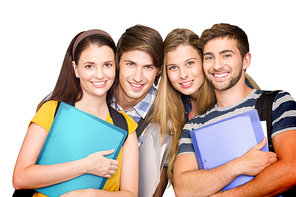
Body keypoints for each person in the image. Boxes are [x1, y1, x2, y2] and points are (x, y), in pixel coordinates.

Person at [173, 23, 296, 197]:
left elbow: (291, 169)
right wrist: (239, 166)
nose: (217, 65)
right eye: (209, 57)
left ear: (246, 60)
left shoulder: (277, 103)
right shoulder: (194, 126)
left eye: (227, 55)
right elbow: (183, 189)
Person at [12, 29, 138, 197]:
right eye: (89, 66)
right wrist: (86, 165)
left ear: (115, 67)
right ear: (76, 69)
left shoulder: (125, 127)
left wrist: (90, 195)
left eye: (107, 65)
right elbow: (20, 178)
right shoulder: (52, 111)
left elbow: (130, 194)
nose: (100, 74)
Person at [151, 28, 260, 186]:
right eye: (173, 67)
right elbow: (172, 170)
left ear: (204, 61)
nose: (183, 75)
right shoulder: (176, 107)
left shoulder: (232, 91)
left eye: (190, 63)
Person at [111, 25, 169, 197]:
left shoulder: (166, 114)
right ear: (117, 62)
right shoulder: (97, 91)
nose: (137, 77)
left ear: (158, 69)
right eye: (130, 64)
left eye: (148, 67)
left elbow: (160, 176)